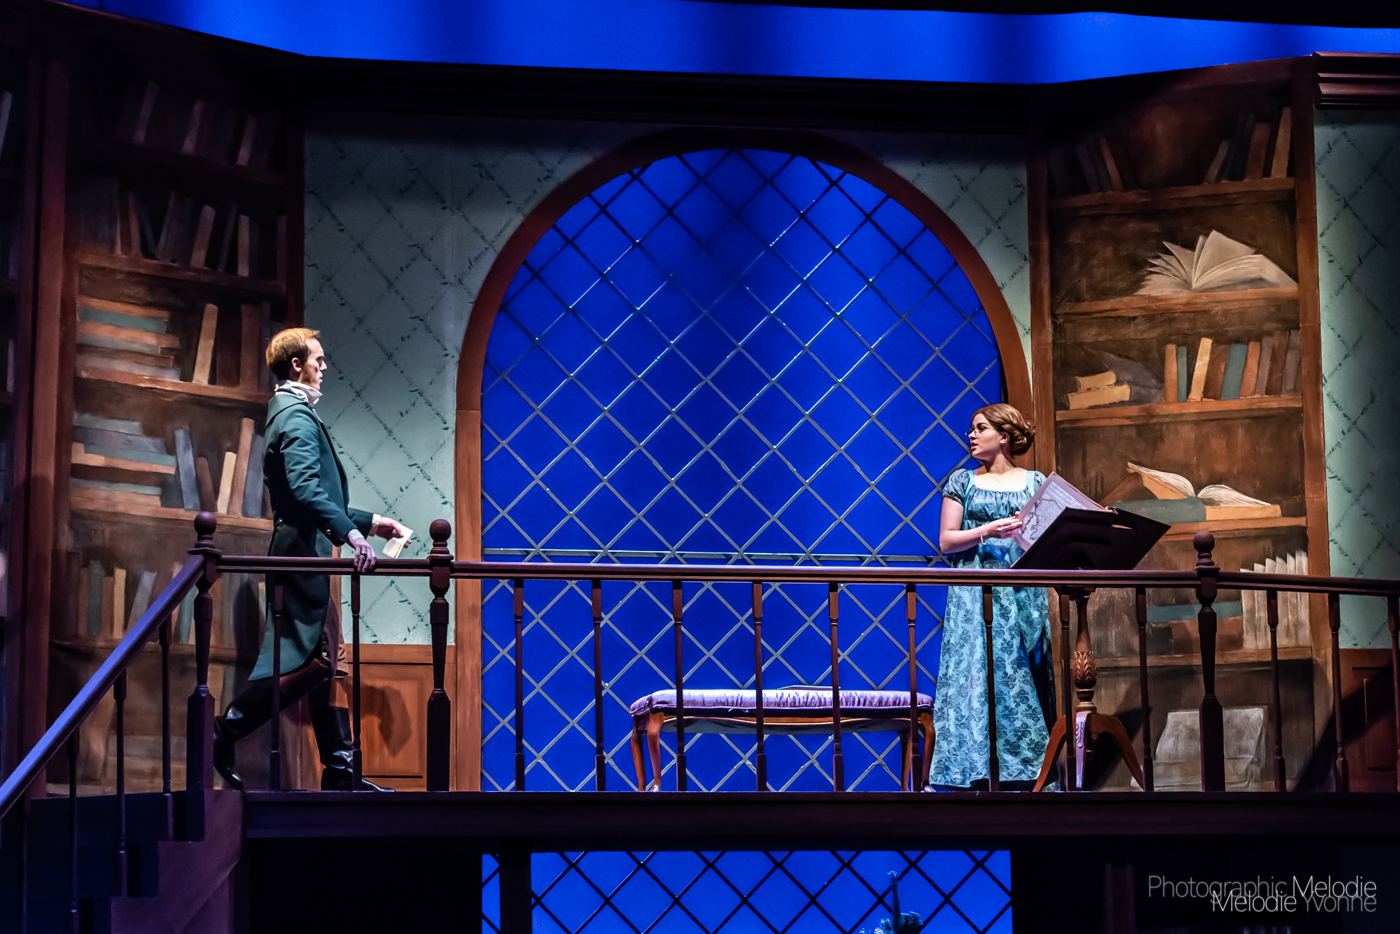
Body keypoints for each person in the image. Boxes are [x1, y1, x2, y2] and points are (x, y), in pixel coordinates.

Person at [213, 328, 411, 791]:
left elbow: (312, 497)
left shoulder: (292, 411)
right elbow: (304, 491)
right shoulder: (296, 416)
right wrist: (351, 534)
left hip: (309, 553)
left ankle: (339, 769)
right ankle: (228, 728)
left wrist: (373, 523)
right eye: (317, 359)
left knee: (327, 662)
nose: (324, 366)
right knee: (316, 661)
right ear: (296, 364)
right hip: (303, 556)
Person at [928, 403, 1054, 790]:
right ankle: (972, 771)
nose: (971, 435)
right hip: (975, 594)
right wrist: (988, 530)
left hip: (1022, 593)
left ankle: (1028, 770)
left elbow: (1048, 534)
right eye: (972, 428)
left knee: (1021, 671)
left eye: (980, 428)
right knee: (976, 673)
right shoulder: (963, 481)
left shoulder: (1034, 482)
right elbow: (946, 540)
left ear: (1003, 436)